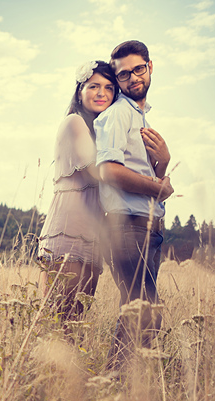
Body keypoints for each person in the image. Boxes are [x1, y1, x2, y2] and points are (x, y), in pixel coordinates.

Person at [94, 40, 174, 369]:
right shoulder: (117, 115)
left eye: (138, 69)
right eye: (123, 74)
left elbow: (146, 173)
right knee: (143, 310)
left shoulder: (141, 118)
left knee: (140, 311)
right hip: (127, 224)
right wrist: (157, 188)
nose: (132, 78)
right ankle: (115, 387)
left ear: (150, 67)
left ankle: (126, 390)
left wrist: (164, 163)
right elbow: (109, 170)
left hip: (147, 224)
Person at [38, 60, 118, 326]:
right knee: (56, 321)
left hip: (91, 236)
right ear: (80, 91)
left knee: (74, 324)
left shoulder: (100, 131)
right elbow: (101, 172)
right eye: (94, 86)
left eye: (108, 87)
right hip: (68, 231)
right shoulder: (74, 122)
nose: (101, 93)